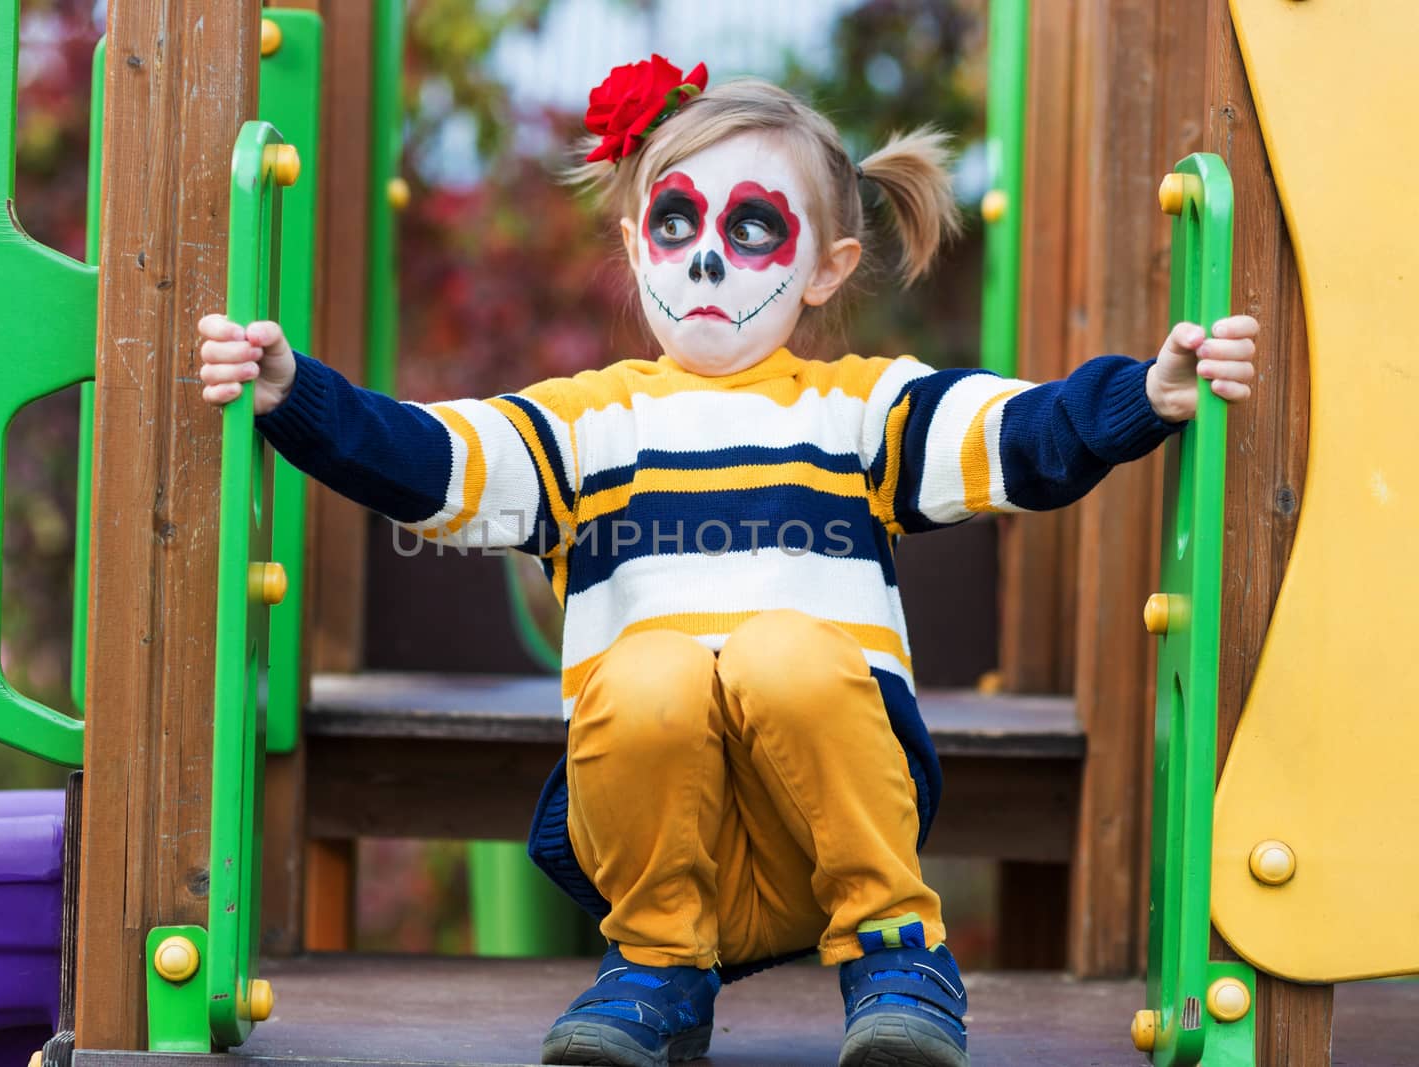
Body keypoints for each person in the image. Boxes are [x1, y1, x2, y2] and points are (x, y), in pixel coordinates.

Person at [198, 55, 1257, 1067]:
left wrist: (1140, 396)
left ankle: (895, 946)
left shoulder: (857, 410)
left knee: (784, 650)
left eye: (752, 228)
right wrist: (297, 392)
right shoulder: (584, 426)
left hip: (828, 823)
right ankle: (656, 964)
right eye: (676, 222)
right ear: (633, 244)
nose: (705, 257)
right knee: (648, 667)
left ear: (824, 269)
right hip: (657, 845)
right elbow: (434, 459)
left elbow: (1012, 432)